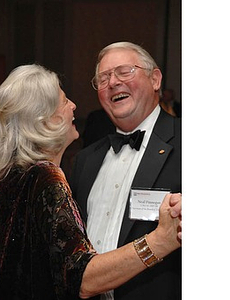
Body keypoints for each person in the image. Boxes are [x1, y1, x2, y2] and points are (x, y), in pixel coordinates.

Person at [0, 64, 181, 300]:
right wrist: (160, 241)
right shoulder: (46, 178)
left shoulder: (7, 178)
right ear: (45, 120)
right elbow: (81, 278)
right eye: (65, 100)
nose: (74, 105)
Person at [70, 42, 182, 300]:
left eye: (124, 72)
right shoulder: (85, 160)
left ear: (155, 79)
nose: (112, 83)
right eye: (103, 78)